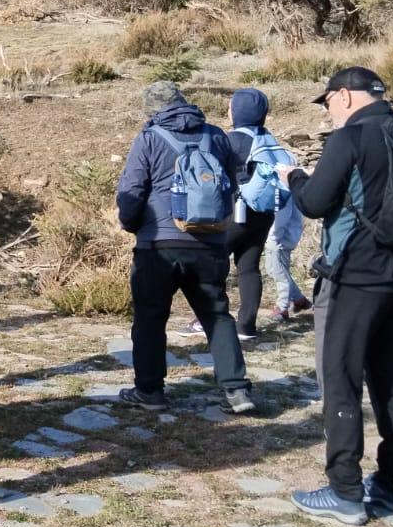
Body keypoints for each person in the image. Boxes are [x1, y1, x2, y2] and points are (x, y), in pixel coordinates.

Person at [279, 67, 393, 526]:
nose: (328, 112)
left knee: (342, 379)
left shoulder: (348, 140)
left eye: (327, 102)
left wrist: (294, 177)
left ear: (344, 96)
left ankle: (345, 490)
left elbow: (313, 203)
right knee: (391, 381)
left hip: (353, 277)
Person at [116, 81, 255, 414]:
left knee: (150, 319)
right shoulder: (217, 136)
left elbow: (131, 192)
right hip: (210, 244)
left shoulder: (149, 139)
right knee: (218, 316)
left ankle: (150, 392)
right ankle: (237, 391)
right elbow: (232, 186)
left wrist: (135, 227)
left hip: (159, 245)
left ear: (151, 110)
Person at [223, 87, 282, 341]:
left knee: (213, 262)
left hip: (236, 211)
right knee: (249, 266)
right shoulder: (269, 139)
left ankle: (208, 319)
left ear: (236, 111)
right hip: (264, 212)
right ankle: (247, 326)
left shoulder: (231, 140)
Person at [267, 197, 311, 322]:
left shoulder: (283, 187)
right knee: (273, 270)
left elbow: (281, 214)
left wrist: (274, 238)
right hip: (282, 237)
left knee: (279, 272)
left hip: (280, 239)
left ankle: (282, 308)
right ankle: (299, 300)